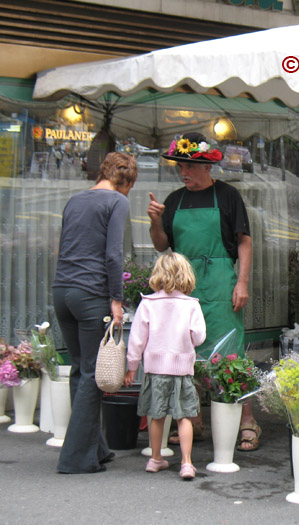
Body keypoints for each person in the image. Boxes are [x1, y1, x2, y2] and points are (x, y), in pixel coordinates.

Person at [147, 132, 260, 451]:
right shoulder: (174, 200)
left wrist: (243, 282)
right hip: (182, 286)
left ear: (207, 167)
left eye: (190, 166)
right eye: (180, 166)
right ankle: (193, 420)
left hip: (221, 283)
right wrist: (156, 221)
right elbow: (161, 244)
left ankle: (247, 420)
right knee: (186, 352)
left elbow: (244, 242)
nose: (183, 172)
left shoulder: (227, 196)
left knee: (230, 353)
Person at [53, 152, 137, 474]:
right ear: (126, 180)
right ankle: (76, 458)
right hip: (90, 295)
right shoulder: (116, 202)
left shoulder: (75, 200)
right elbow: (114, 254)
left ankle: (96, 448)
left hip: (62, 291)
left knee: (79, 369)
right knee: (92, 375)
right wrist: (116, 298)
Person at [124, 252, 206, 480]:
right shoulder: (191, 305)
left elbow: (137, 339)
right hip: (181, 370)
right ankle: (187, 463)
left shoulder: (147, 303)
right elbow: (199, 337)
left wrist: (132, 367)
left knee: (156, 415)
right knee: (185, 416)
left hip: (155, 369)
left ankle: (155, 458)